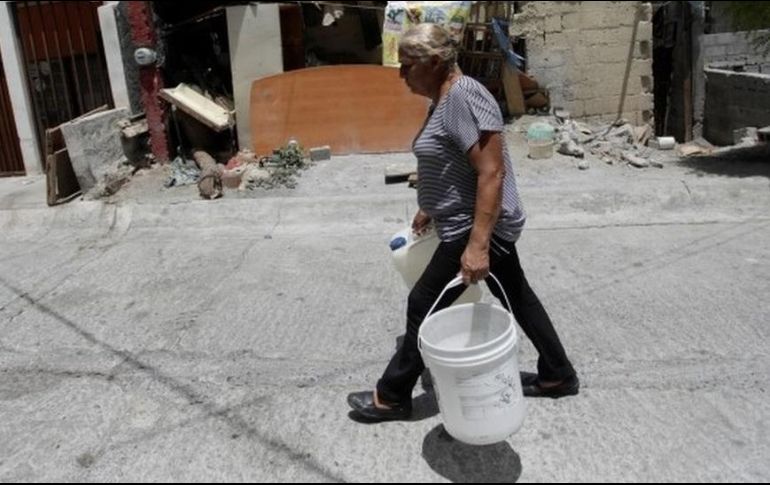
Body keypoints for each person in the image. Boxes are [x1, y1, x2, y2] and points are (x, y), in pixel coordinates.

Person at [347, 23, 578, 422]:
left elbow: (491, 173)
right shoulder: (443, 97)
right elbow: (453, 163)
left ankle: (393, 395)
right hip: (464, 221)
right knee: (517, 296)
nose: (402, 75)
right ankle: (558, 374)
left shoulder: (464, 97)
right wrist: (430, 206)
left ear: (434, 63)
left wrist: (478, 245)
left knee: (424, 304)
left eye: (407, 66)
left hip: (479, 227)